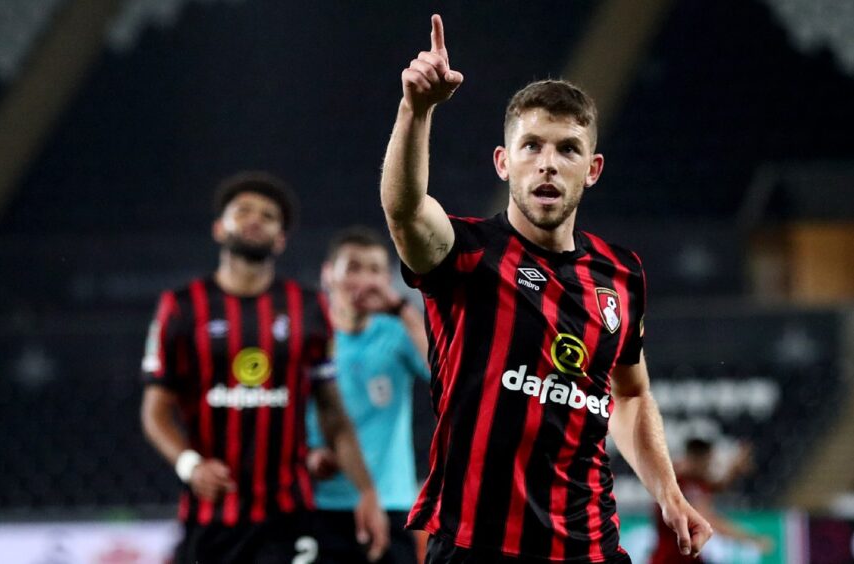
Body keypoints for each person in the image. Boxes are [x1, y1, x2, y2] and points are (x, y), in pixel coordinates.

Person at [378, 14, 714, 564]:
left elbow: (628, 394)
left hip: (588, 546)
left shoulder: (621, 274)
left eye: (567, 149)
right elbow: (405, 210)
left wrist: (668, 491)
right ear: (503, 162)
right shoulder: (465, 253)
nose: (548, 164)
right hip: (474, 544)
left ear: (593, 169)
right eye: (531, 146)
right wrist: (416, 109)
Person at [140, 172, 389, 564]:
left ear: (281, 239)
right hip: (210, 519)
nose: (255, 219)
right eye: (243, 211)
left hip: (287, 516)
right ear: (220, 228)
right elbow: (155, 411)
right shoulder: (181, 307)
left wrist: (368, 493)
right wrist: (191, 466)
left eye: (269, 216)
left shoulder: (308, 308)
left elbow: (332, 413)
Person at [305, 226, 431, 563]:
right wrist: (309, 455)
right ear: (328, 274)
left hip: (391, 504)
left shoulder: (397, 333)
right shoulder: (308, 339)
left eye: (375, 270)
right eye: (354, 268)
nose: (364, 280)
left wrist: (401, 309)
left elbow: (446, 374)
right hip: (319, 505)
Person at [650, 439, 772, 564]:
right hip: (672, 559)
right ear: (698, 459)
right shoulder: (684, 485)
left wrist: (734, 469)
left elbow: (716, 484)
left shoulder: (690, 481)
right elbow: (708, 520)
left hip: (684, 557)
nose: (709, 467)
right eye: (707, 462)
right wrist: (751, 538)